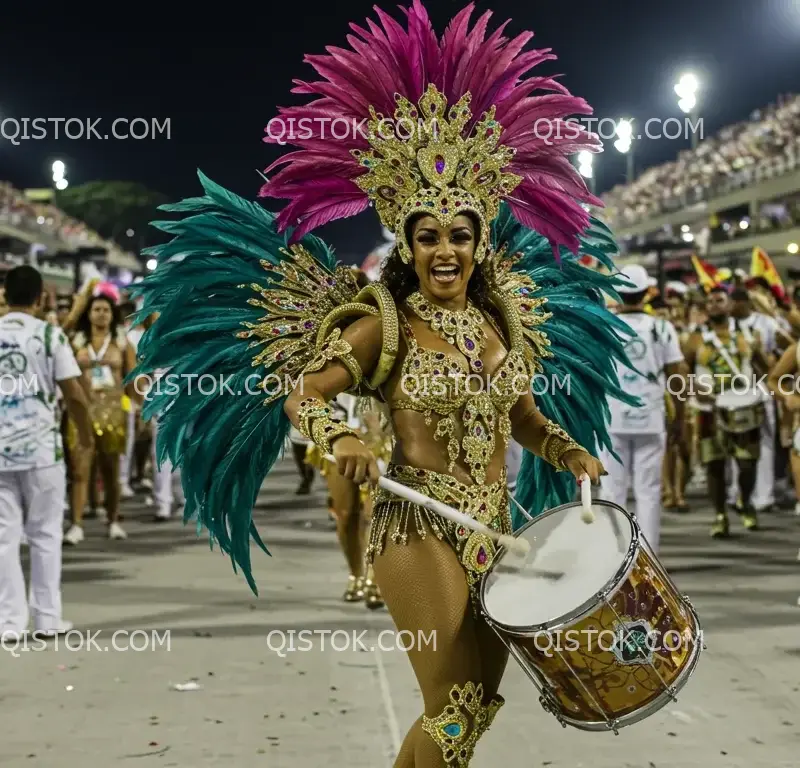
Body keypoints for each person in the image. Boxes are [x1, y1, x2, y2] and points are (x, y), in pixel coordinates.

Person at [130, 4, 637, 765]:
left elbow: (522, 417)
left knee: (475, 714)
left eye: (458, 234)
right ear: (406, 242)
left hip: (500, 526)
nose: (443, 250)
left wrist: (569, 454)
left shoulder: (505, 323)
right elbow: (306, 390)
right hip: (418, 528)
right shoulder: (382, 324)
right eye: (427, 235)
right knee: (454, 706)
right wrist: (338, 439)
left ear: (478, 239)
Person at [0, 265, 94, 638]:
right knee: (44, 534)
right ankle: (47, 619)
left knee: (3, 538)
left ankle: (9, 623)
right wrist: (85, 435)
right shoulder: (50, 336)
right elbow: (73, 393)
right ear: (41, 297)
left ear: (5, 294)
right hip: (41, 449)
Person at [599, 265, 686, 551]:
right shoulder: (662, 327)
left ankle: (614, 557)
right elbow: (677, 376)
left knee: (612, 491)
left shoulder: (604, 324)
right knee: (649, 492)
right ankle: (648, 557)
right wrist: (679, 419)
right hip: (650, 418)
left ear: (618, 293)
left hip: (612, 420)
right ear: (647, 293)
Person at [683, 286, 770, 537]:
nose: (714, 304)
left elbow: (766, 368)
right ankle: (720, 514)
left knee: (747, 463)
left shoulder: (749, 334)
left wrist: (761, 392)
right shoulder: (695, 338)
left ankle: (744, 499)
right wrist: (693, 388)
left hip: (745, 407)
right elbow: (682, 371)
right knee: (714, 464)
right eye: (709, 301)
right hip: (708, 409)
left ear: (730, 304)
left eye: (719, 300)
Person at [64, 293, 139, 544]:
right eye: (96, 309)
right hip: (82, 414)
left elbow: (132, 380)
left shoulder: (122, 343)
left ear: (112, 314)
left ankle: (114, 519)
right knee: (80, 471)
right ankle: (76, 525)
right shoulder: (76, 342)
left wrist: (141, 410)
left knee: (111, 471)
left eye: (106, 310)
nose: (101, 314)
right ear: (89, 314)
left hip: (113, 414)